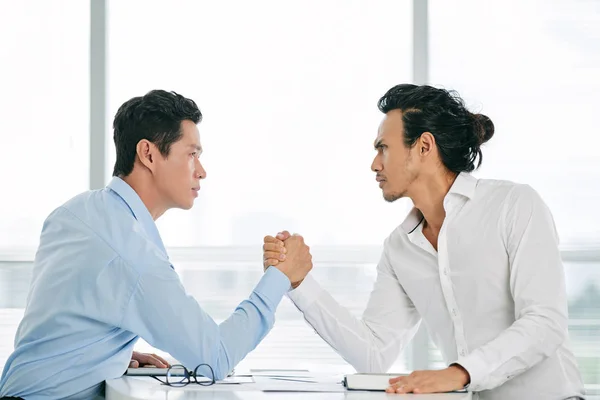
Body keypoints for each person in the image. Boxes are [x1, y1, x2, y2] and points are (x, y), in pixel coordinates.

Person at [263, 84, 585, 399]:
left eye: (383, 148)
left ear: (424, 147)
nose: (375, 164)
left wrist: (458, 374)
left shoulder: (515, 205)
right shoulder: (398, 248)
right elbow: (373, 353)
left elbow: (546, 323)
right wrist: (299, 282)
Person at [0, 90, 312, 400]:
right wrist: (281, 275)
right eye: (191, 154)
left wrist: (110, 352)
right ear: (148, 154)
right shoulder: (132, 254)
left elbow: (61, 317)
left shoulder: (75, 213)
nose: (201, 171)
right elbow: (214, 357)